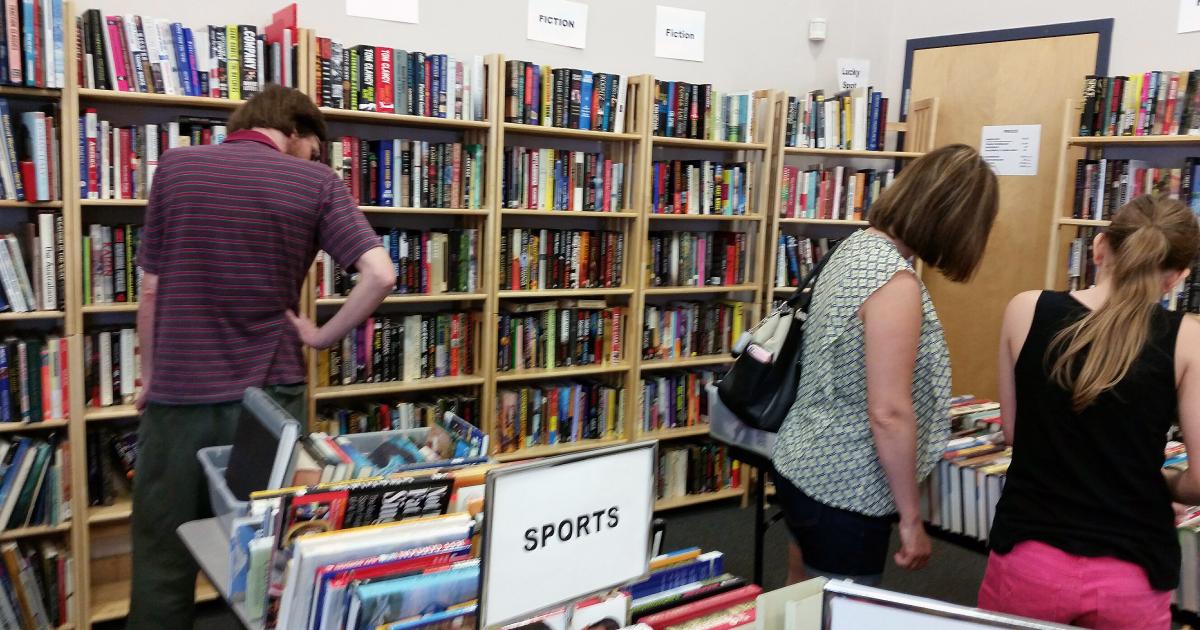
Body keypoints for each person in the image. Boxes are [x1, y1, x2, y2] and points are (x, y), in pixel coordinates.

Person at [129, 85, 397, 630]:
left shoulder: (175, 168)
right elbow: (381, 274)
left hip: (179, 396)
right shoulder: (316, 183)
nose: (314, 161)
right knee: (270, 556)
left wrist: (149, 379)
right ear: (295, 130)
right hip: (268, 403)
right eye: (314, 149)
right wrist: (320, 337)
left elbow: (151, 291)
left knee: (163, 552)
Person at [772, 143, 999, 586]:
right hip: (845, 485)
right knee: (839, 609)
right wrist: (911, 519)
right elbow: (888, 412)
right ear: (952, 222)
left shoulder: (855, 246)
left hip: (801, 459)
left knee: (800, 596)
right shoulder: (894, 283)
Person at [980, 195, 1200, 629]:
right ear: (1176, 277)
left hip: (1029, 559)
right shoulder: (1188, 340)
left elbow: (1014, 433)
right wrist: (1157, 483)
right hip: (1132, 573)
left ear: (1099, 248)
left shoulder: (1026, 309)